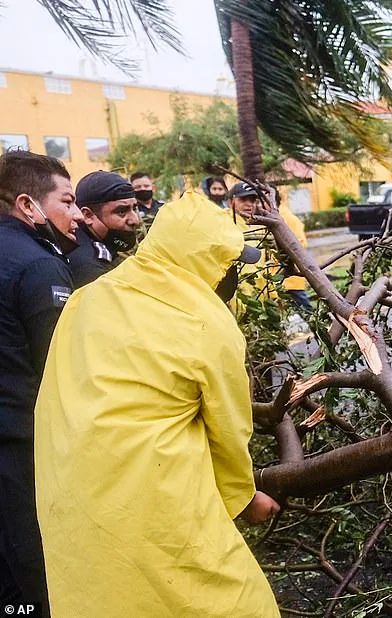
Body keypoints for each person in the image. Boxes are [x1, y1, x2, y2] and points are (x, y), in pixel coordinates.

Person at [34, 192, 281, 617]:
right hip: (152, 489)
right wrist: (243, 498)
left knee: (101, 592)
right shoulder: (206, 321)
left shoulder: (90, 296)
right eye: (230, 263)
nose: (233, 274)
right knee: (229, 600)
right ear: (206, 261)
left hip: (69, 485)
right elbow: (228, 429)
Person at [0, 150, 82, 617]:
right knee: (34, 572)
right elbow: (59, 369)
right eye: (67, 202)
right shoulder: (39, 265)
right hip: (21, 446)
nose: (75, 215)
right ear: (29, 205)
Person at [70, 171, 141, 287]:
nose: (135, 220)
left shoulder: (99, 244)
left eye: (134, 208)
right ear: (88, 215)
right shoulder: (90, 266)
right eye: (122, 211)